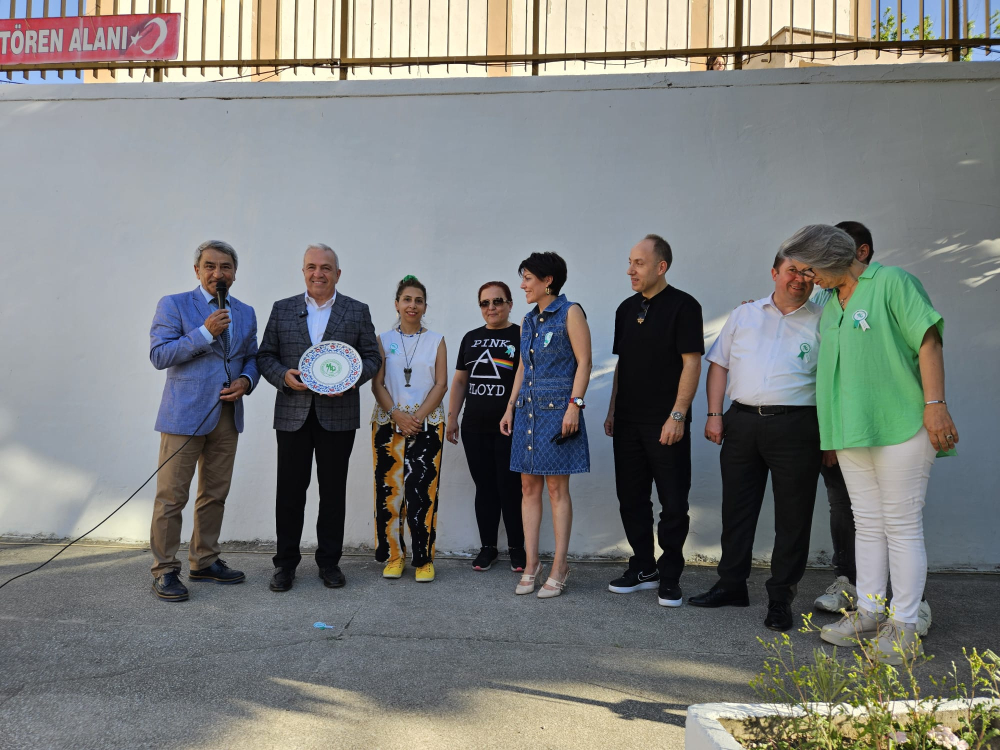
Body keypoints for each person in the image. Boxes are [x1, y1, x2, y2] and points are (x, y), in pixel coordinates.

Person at [778, 225, 958, 663]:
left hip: (902, 423)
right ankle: (871, 612)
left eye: (810, 269)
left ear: (832, 259)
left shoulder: (893, 281)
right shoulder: (828, 302)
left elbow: (928, 340)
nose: (807, 278)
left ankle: (905, 624)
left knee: (901, 524)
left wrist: (935, 404)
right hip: (850, 430)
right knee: (868, 523)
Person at [689, 251, 823, 631]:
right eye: (792, 270)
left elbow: (833, 380)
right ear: (775, 272)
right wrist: (714, 414)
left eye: (808, 273)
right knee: (737, 509)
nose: (799, 278)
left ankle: (781, 598)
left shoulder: (824, 320)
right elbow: (720, 365)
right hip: (742, 422)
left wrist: (830, 438)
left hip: (797, 426)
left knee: (793, 517)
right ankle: (731, 585)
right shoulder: (744, 314)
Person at [257, 244, 381, 593]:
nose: (318, 273)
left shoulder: (357, 310)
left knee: (332, 492)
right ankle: (285, 565)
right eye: (311, 266)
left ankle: (329, 562)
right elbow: (265, 356)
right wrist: (283, 376)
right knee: (289, 492)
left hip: (338, 415)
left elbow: (372, 358)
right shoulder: (282, 309)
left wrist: (350, 379)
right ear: (303, 271)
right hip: (292, 414)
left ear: (337, 273)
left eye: (326, 267)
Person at [148, 240, 259, 602]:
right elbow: (159, 354)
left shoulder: (246, 312)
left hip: (227, 414)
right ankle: (164, 569)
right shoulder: (174, 304)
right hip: (184, 416)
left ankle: (205, 560)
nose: (217, 273)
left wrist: (247, 381)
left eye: (225, 267)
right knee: (171, 497)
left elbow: (252, 356)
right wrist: (204, 333)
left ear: (234, 274)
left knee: (214, 494)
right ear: (197, 271)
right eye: (210, 266)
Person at [604, 235, 704, 608]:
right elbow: (623, 364)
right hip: (628, 422)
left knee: (673, 503)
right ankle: (644, 567)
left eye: (639, 263)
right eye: (630, 262)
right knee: (631, 499)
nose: (630, 270)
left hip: (666, 423)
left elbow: (692, 363)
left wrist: (678, 415)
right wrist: (613, 409)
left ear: (661, 267)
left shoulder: (684, 306)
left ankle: (670, 574)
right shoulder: (625, 309)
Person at [500, 252, 592, 599]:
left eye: (527, 278)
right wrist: (510, 407)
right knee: (527, 487)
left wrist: (575, 406)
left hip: (558, 411)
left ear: (547, 280)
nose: (522, 285)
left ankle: (560, 566)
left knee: (556, 489)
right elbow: (523, 368)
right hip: (527, 410)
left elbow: (585, 362)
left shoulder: (571, 312)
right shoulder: (527, 320)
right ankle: (532, 563)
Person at [371, 276, 449, 583]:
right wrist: (397, 415)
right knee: (389, 492)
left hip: (427, 424)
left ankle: (423, 559)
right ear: (397, 304)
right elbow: (377, 383)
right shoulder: (383, 339)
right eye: (407, 299)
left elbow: (441, 384)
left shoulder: (437, 340)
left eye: (418, 300)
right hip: (387, 423)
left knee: (422, 492)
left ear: (425, 306)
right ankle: (393, 556)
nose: (412, 305)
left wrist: (416, 418)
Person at [446, 282, 525, 572]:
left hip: (510, 425)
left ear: (510, 304)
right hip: (474, 426)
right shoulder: (471, 338)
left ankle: (517, 548)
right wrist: (452, 417)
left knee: (510, 487)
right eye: (485, 303)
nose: (491, 308)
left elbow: (527, 377)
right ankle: (488, 547)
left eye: (498, 301)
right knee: (485, 487)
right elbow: (459, 381)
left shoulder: (521, 335)